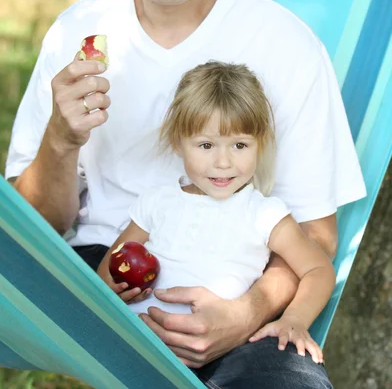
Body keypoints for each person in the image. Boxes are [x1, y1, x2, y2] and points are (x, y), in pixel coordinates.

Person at [5, 0, 366, 388]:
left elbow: (316, 239)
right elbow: (34, 231)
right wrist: (60, 138)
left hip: (235, 280)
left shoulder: (286, 47)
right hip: (98, 273)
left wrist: (247, 311)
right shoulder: (78, 34)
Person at [97, 60, 336, 373]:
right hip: (132, 347)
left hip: (213, 357)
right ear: (177, 143)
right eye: (206, 145)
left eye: (239, 144)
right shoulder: (158, 201)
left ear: (259, 144)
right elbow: (107, 269)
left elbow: (319, 269)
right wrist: (117, 287)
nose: (223, 162)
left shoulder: (264, 214)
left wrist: (294, 320)